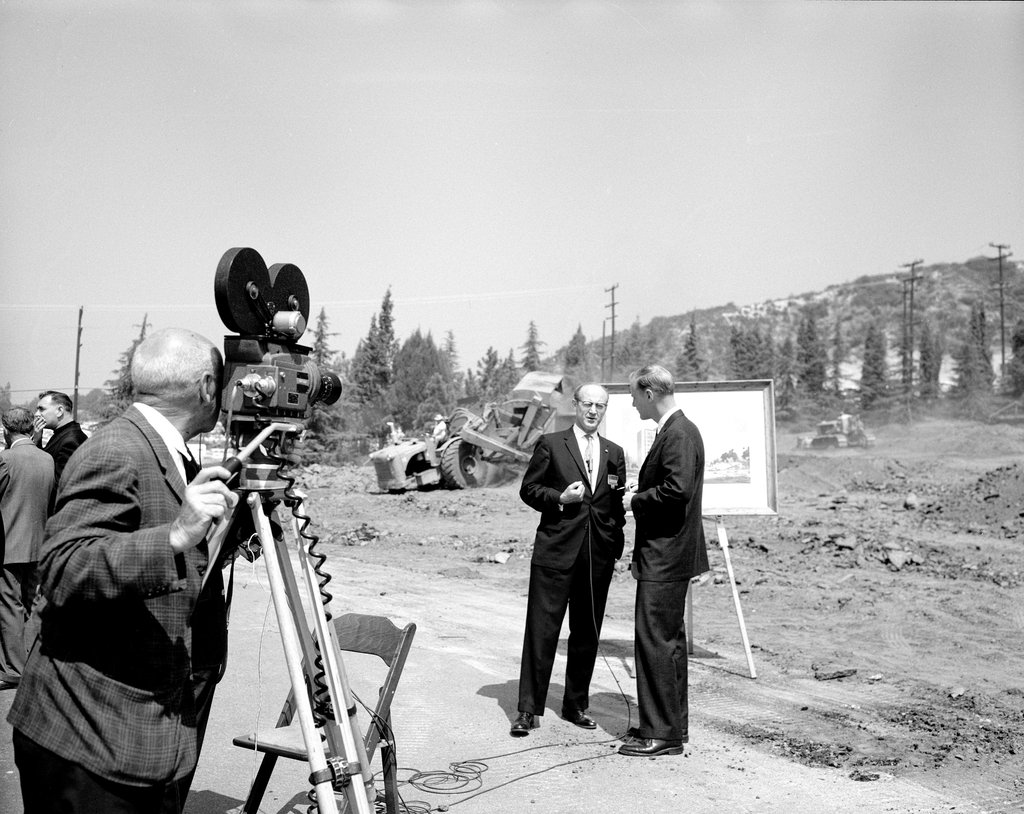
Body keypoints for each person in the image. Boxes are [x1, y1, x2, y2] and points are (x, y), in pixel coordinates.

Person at [9, 327, 239, 814]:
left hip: (126, 736)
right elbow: (64, 566)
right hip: (88, 744)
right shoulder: (117, 449)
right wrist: (174, 536)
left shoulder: (169, 452)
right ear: (205, 387)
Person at [511, 383, 627, 736]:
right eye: (588, 404)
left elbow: (614, 506)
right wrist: (559, 498)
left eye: (600, 406)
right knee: (542, 631)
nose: (593, 411)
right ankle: (528, 709)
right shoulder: (551, 443)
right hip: (556, 553)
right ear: (576, 405)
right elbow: (529, 489)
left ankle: (575, 704)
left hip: (597, 557)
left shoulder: (615, 452)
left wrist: (614, 548)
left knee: (586, 634)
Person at [618, 365, 710, 757]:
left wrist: (635, 500)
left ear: (649, 392)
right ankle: (669, 728)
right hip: (670, 554)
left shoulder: (678, 433)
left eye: (634, 395)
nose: (633, 402)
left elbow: (677, 490)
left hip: (666, 555)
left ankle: (661, 734)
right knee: (667, 644)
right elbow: (675, 486)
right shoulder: (678, 430)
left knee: (655, 642)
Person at [0, 408, 55, 689]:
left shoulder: (6, 459)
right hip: (39, 544)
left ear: (6, 429)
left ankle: (14, 667)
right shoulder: (47, 459)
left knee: (9, 605)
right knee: (30, 604)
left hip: (9, 543)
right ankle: (31, 660)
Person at [33, 390, 89, 484]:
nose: (36, 414)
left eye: (41, 409)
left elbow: (59, 485)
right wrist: (37, 440)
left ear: (59, 411)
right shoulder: (63, 434)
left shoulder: (71, 441)